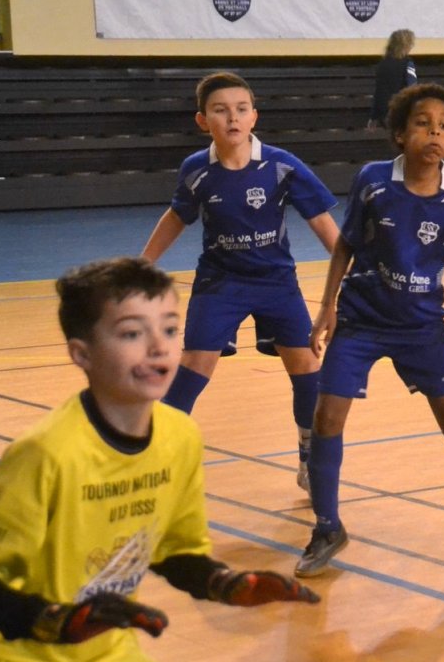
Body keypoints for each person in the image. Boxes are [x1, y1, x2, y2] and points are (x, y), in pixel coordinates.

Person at [0, 256, 320, 662]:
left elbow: (175, 551)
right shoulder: (43, 454)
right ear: (82, 353)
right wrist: (65, 621)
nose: (159, 347)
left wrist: (228, 585)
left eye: (170, 329)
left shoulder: (180, 437)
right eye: (132, 333)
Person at [295, 82, 444, 576]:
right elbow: (345, 245)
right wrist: (327, 306)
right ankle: (327, 527)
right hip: (360, 320)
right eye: (423, 123)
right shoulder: (374, 181)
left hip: (422, 327)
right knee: (326, 417)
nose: (434, 132)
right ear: (400, 134)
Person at [142, 72, 340, 492]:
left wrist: (348, 280)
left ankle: (310, 458)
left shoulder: (282, 165)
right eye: (220, 110)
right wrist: (143, 263)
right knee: (195, 366)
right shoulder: (197, 169)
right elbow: (177, 216)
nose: (232, 117)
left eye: (241, 109)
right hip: (220, 282)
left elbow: (324, 224)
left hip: (276, 283)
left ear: (254, 117)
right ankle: (156, 461)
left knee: (307, 367)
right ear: (203, 121)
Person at [369, 28, 418, 129]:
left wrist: (373, 116)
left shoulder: (382, 64)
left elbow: (378, 91)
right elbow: (412, 87)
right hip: (401, 110)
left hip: (384, 110)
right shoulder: (407, 63)